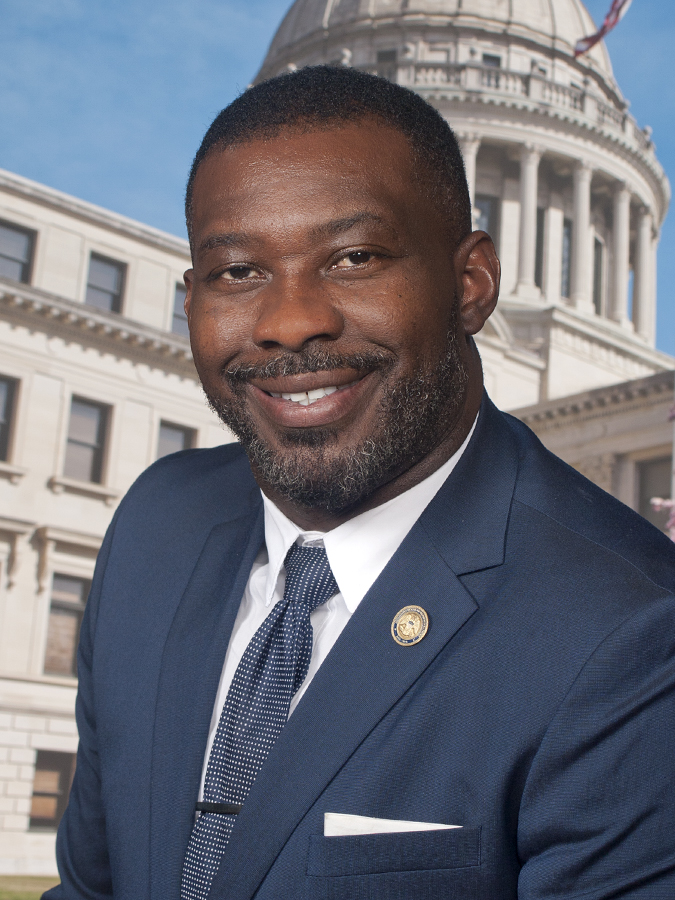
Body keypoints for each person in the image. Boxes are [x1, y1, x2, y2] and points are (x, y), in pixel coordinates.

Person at [45, 67, 675, 900]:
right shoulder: (157, 523)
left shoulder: (629, 633)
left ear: (470, 283)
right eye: (238, 271)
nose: (289, 321)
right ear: (189, 297)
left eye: (354, 257)